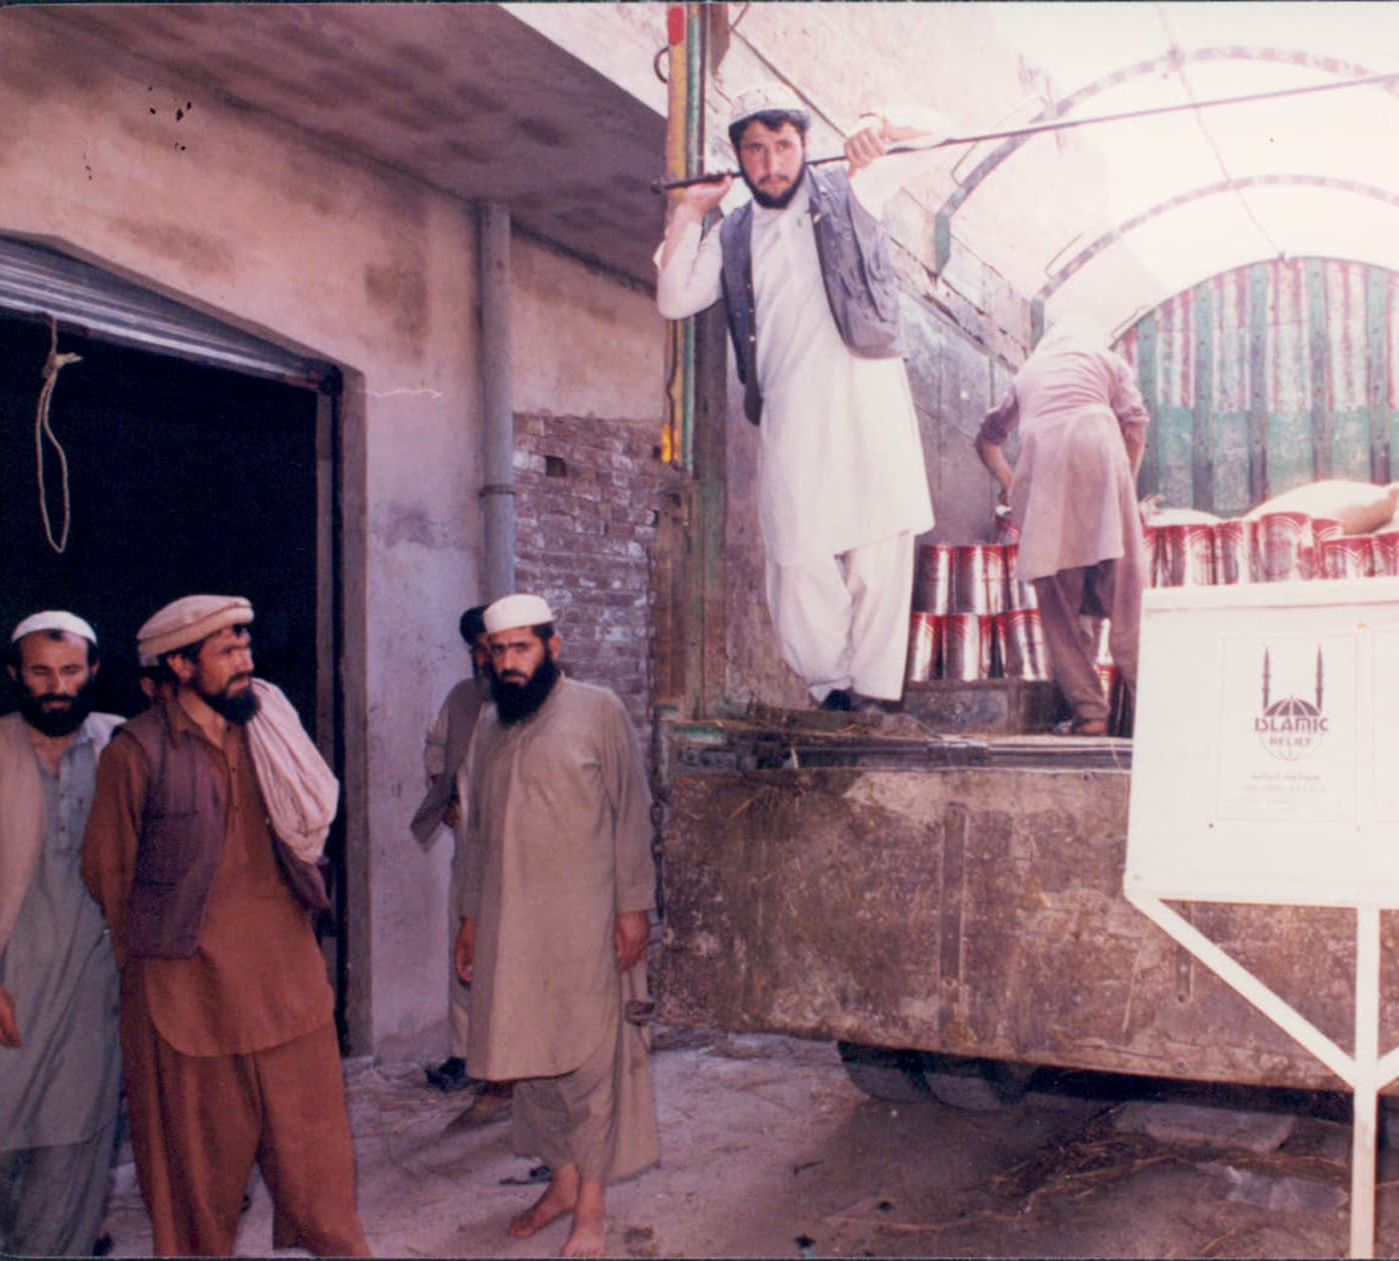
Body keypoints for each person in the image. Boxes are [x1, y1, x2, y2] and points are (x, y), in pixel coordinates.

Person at [81, 595, 370, 1257]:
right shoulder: (136, 752)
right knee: (197, 1195)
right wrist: (150, 978)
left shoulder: (270, 729)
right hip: (192, 1007)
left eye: (246, 645)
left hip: (290, 992)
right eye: (227, 650)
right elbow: (109, 872)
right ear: (181, 664)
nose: (247, 661)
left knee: (321, 1177)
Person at [655, 83, 940, 712]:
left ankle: (874, 695)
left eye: (783, 145)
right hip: (788, 405)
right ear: (739, 156)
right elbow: (675, 298)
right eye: (754, 149)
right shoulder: (730, 233)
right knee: (797, 551)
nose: (771, 162)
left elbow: (939, 134)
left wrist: (884, 122)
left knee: (879, 546)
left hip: (868, 394)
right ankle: (831, 690)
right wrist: (689, 213)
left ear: (805, 146)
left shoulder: (853, 188)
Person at [454, 593, 658, 1258]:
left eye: (523, 647)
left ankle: (592, 1204)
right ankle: (562, 1183)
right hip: (512, 928)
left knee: (590, 1062)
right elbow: (477, 835)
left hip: (586, 922)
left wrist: (633, 906)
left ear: (553, 646)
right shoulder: (490, 725)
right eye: (499, 651)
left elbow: (631, 811)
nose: (509, 663)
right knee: (529, 1057)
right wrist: (471, 921)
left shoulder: (599, 710)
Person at [0, 611, 124, 1256]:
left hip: (93, 978)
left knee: (72, 1145)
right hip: (6, 979)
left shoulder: (120, 743)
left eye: (72, 671)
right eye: (41, 672)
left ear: (93, 670)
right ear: (16, 675)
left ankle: (60, 1242)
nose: (58, 686)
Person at [975, 317, 1150, 735]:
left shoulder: (1027, 374)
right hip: (1099, 443)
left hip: (1045, 458)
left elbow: (986, 439)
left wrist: (1010, 485)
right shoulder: (1108, 362)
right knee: (1127, 595)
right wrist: (1124, 486)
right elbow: (1136, 428)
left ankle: (1090, 714)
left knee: (1056, 596)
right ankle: (1155, 707)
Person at [411, 604, 492, 1095]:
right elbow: (437, 747)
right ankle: (465, 1056)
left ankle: (516, 1064)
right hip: (471, 847)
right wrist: (445, 798)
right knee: (463, 945)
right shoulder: (463, 698)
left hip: (527, 852)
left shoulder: (535, 700)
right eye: (477, 650)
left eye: (491, 647)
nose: (484, 658)